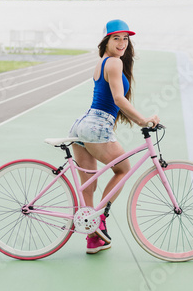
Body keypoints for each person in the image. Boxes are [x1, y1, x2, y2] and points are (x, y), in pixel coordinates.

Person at [69, 19, 160, 254]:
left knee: (88, 185)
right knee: (123, 170)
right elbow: (118, 99)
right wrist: (143, 119)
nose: (121, 43)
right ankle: (100, 218)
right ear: (106, 41)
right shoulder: (114, 63)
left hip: (82, 126)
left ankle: (93, 237)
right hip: (96, 127)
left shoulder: (103, 63)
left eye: (125, 38)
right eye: (116, 38)